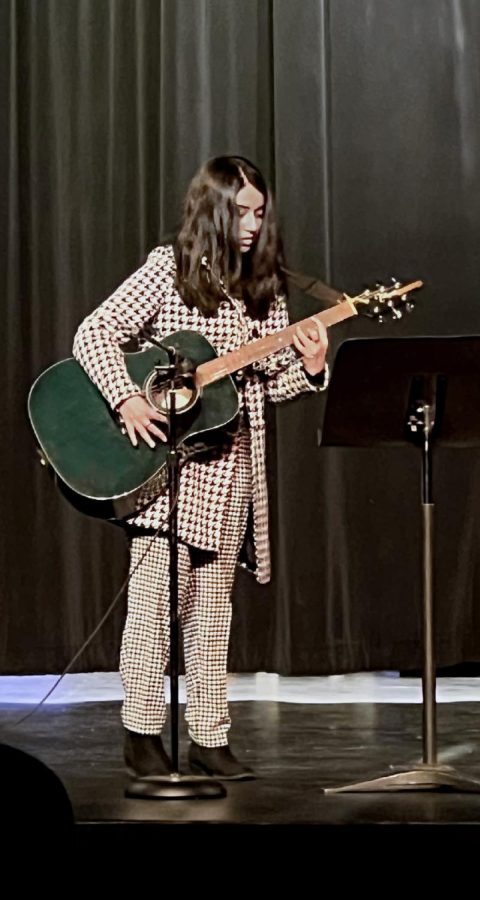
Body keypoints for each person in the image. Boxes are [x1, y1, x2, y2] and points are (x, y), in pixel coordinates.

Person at [73, 156, 329, 779]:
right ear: (212, 210)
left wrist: (313, 365)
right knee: (156, 606)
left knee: (213, 613)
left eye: (259, 212)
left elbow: (271, 381)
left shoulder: (262, 287)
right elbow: (94, 332)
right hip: (172, 473)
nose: (251, 223)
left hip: (234, 469)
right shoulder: (169, 270)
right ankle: (141, 733)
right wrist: (128, 397)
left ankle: (210, 736)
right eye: (240, 210)